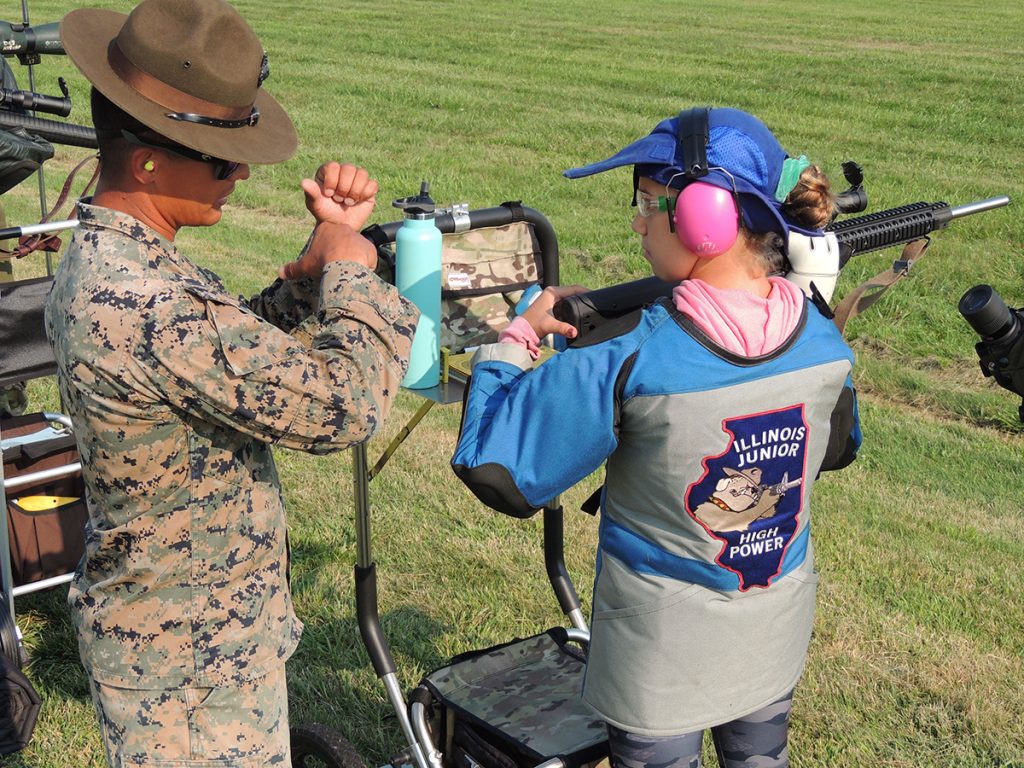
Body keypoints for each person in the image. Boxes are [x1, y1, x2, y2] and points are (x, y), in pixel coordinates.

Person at [44, 1, 419, 765]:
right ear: (148, 159)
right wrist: (353, 274)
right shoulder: (142, 302)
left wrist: (307, 278)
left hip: (193, 651)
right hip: (188, 677)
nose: (243, 172)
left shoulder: (127, 262)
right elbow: (343, 405)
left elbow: (219, 362)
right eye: (221, 157)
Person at [452, 107, 861, 768]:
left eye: (648, 203)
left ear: (705, 216)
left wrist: (515, 341)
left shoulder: (629, 354)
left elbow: (498, 471)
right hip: (773, 629)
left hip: (660, 657)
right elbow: (839, 447)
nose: (639, 221)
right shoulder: (823, 338)